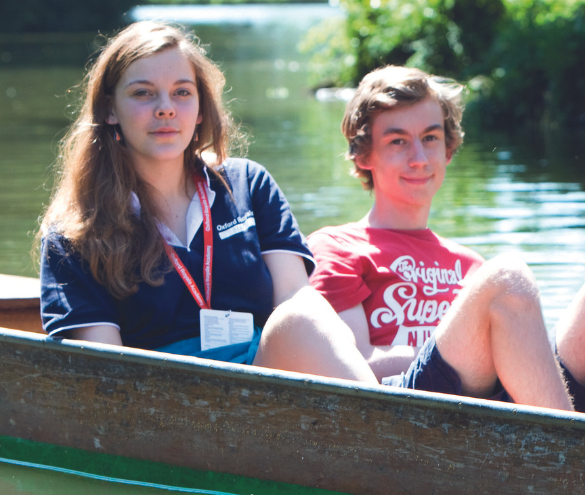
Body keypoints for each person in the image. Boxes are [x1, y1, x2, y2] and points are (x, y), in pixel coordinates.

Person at [307, 66, 585, 412]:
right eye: (398, 141)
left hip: (502, 404)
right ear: (364, 154)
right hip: (413, 409)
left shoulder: (470, 266)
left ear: (448, 149)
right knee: (508, 278)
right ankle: (571, 451)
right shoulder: (336, 248)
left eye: (430, 138)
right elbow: (352, 368)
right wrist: (464, 343)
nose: (418, 158)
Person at [38, 21, 378, 383]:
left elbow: (295, 296)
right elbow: (108, 372)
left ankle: (385, 421)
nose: (166, 108)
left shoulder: (249, 183)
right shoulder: (74, 235)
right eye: (143, 93)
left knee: (302, 316)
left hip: (269, 387)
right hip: (159, 404)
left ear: (201, 108)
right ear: (109, 110)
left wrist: (339, 338)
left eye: (182, 92)